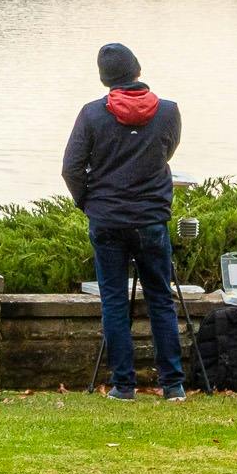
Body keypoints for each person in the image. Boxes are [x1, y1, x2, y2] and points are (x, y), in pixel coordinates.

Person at [66, 41, 186, 401]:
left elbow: (71, 168)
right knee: (161, 299)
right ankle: (173, 384)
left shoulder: (91, 114)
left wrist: (89, 203)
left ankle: (123, 385)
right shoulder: (168, 112)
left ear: (105, 79)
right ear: (137, 69)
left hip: (107, 220)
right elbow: (167, 152)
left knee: (114, 302)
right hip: (151, 219)